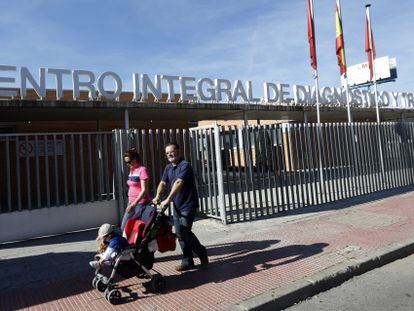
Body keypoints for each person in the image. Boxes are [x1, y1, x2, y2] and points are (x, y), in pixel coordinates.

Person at [152, 142, 208, 271]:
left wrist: (168, 199)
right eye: (167, 153)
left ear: (178, 151)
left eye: (172, 152)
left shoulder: (185, 166)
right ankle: (188, 261)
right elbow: (162, 183)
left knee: (184, 232)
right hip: (177, 206)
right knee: (179, 233)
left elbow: (179, 182)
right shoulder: (168, 168)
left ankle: (201, 252)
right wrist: (157, 196)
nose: (169, 155)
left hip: (188, 205)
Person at [121, 148, 152, 231]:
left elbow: (144, 190)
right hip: (131, 202)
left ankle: (139, 244)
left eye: (129, 161)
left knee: (139, 228)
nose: (127, 164)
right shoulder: (132, 170)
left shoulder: (142, 170)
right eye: (126, 162)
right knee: (124, 227)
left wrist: (133, 204)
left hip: (140, 203)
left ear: (135, 159)